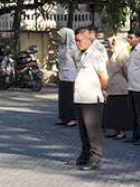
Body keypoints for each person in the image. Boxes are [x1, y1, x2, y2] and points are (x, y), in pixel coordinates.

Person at [71, 27, 109, 171]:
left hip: (92, 99)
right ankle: (84, 156)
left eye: (79, 40)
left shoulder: (96, 54)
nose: (77, 43)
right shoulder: (81, 54)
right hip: (80, 97)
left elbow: (104, 76)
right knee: (83, 130)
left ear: (88, 39)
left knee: (93, 132)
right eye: (75, 41)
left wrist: (102, 89)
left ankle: (96, 157)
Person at [103, 36, 132, 139]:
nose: (110, 45)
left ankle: (122, 131)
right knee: (113, 109)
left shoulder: (123, 55)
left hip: (120, 85)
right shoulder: (113, 55)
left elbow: (126, 70)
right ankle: (116, 129)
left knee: (120, 109)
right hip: (112, 85)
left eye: (112, 43)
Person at [55, 27, 78, 126]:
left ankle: (72, 118)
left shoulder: (73, 48)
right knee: (63, 98)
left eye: (61, 36)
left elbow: (77, 62)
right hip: (62, 75)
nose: (59, 38)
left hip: (71, 76)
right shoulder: (61, 47)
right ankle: (63, 117)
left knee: (70, 98)